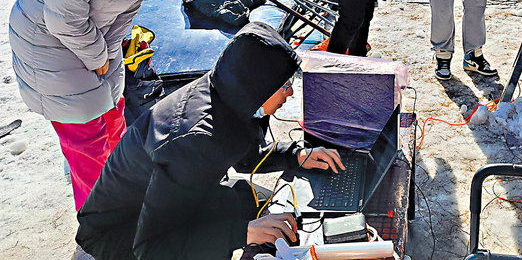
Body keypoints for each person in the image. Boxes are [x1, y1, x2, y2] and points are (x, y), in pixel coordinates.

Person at [9, 0, 209, 211]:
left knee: (114, 118)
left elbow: (125, 9)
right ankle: (102, 225)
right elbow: (63, 20)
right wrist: (100, 59)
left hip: (92, 39)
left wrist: (111, 54)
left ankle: (125, 195)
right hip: (46, 45)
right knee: (86, 137)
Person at [76, 22, 344, 260]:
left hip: (165, 202)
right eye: (284, 84)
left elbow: (245, 156)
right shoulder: (194, 141)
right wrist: (243, 232)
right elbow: (152, 248)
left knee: (255, 201)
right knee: (243, 223)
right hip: (122, 233)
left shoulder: (231, 92)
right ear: (260, 85)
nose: (289, 92)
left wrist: (295, 155)